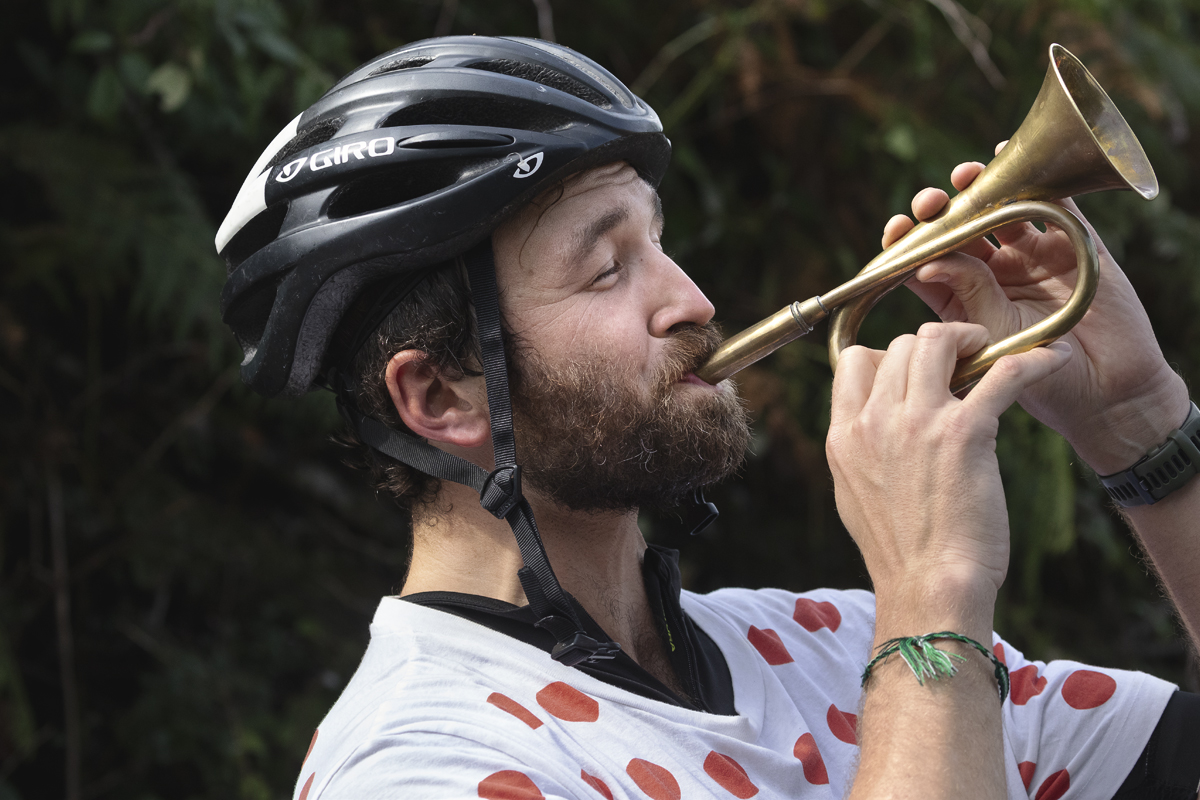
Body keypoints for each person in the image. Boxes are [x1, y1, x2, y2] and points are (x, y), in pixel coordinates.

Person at [215, 36, 1200, 799]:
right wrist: (933, 603)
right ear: (440, 397)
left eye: (661, 245)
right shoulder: (419, 759)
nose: (689, 297)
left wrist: (1145, 428)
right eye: (606, 266)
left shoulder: (831, 642)